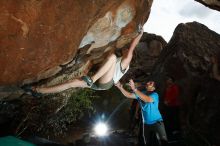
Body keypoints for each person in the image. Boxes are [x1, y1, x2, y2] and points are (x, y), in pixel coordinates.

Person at [24, 27, 144, 95]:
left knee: (112, 58)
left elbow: (132, 47)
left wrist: (140, 33)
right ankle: (37, 90)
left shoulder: (126, 62)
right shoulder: (121, 60)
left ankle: (92, 79)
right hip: (101, 85)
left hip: (105, 82)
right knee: (70, 83)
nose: (125, 49)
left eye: (126, 49)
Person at [115, 79, 168, 146]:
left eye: (151, 83)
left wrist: (134, 89)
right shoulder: (141, 93)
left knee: (163, 142)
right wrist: (120, 87)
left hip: (157, 122)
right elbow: (128, 94)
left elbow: (147, 99)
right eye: (148, 81)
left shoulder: (155, 94)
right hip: (146, 124)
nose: (148, 82)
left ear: (153, 88)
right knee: (147, 143)